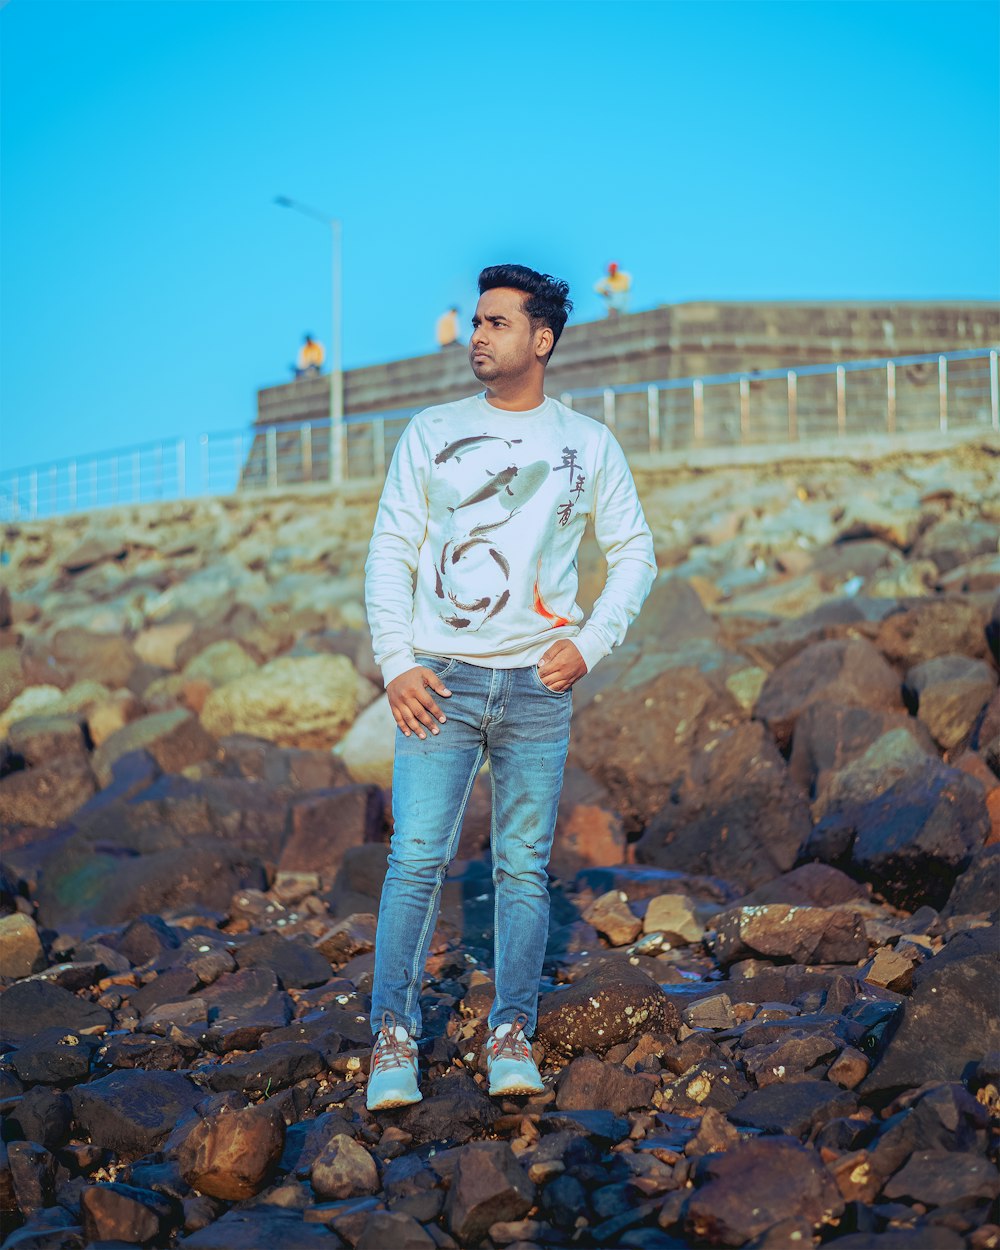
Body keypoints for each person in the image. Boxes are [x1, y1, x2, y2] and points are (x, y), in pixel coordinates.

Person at [363, 263, 656, 1111]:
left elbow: (635, 551)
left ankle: (511, 1032)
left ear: (542, 339)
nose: (478, 336)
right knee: (416, 859)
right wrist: (397, 661)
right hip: (440, 682)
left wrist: (591, 643)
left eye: (496, 323)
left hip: (537, 684)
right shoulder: (430, 431)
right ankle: (391, 1037)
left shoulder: (587, 443)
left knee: (523, 868)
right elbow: (391, 550)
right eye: (477, 321)